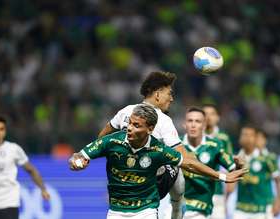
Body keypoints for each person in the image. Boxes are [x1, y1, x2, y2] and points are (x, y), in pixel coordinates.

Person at [98, 71, 245, 219]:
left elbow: (102, 138)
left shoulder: (125, 111)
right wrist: (220, 176)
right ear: (157, 95)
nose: (172, 98)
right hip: (150, 186)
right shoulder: (162, 121)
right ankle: (176, 208)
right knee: (176, 163)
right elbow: (186, 160)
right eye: (169, 94)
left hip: (123, 186)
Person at [69, 104, 246, 219]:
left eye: (137, 125)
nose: (130, 128)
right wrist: (77, 162)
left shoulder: (158, 150)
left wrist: (221, 176)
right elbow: (79, 155)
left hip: (146, 211)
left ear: (150, 129)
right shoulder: (112, 141)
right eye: (130, 123)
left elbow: (189, 163)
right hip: (116, 211)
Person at [0, 115, 50, 219]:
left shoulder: (13, 149)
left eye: (1, 129)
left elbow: (31, 170)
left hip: (9, 205)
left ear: (4, 133)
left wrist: (43, 189)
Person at [181, 107, 239, 219]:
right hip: (183, 200)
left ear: (204, 124)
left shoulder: (220, 141)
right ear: (185, 124)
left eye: (197, 121)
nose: (193, 124)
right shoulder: (177, 143)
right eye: (190, 121)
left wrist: (229, 192)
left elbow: (232, 166)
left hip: (215, 194)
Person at [228, 125, 280, 219]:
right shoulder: (235, 158)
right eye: (244, 135)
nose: (247, 138)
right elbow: (230, 188)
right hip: (241, 210)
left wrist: (278, 201)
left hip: (262, 210)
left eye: (250, 135)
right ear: (239, 138)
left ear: (255, 138)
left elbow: (278, 180)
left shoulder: (267, 158)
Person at [202, 104, 234, 219]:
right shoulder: (194, 136)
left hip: (216, 192)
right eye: (205, 114)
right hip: (196, 192)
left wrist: (230, 187)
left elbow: (231, 165)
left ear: (218, 117)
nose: (208, 117)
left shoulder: (223, 138)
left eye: (212, 114)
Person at [255, 129, 280, 217]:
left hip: (266, 202)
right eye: (256, 138)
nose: (257, 140)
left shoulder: (270, 158)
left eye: (260, 138)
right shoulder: (246, 157)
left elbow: (278, 180)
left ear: (265, 140)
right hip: (248, 204)